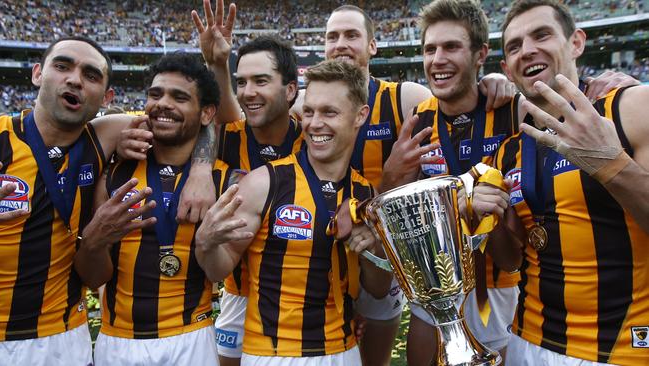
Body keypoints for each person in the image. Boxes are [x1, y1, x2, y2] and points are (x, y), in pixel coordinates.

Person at [0, 36, 214, 366]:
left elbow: (198, 121)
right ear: (37, 73)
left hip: (64, 340)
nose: (74, 79)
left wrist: (201, 167)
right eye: (62, 66)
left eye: (91, 75)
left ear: (106, 96)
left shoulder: (104, 136)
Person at [470, 1, 649, 364]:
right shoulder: (510, 151)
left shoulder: (631, 108)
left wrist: (611, 165)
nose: (528, 51)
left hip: (620, 348)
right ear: (506, 68)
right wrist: (488, 224)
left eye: (542, 35)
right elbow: (512, 260)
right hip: (527, 340)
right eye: (515, 46)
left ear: (576, 43)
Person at [195, 60, 392, 366]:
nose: (314, 123)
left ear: (360, 116)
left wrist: (372, 247)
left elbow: (379, 289)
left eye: (330, 112)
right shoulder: (263, 184)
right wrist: (205, 242)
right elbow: (217, 269)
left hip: (344, 352)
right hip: (272, 356)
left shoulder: (367, 195)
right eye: (310, 111)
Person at [378, 2, 521, 364]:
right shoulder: (419, 120)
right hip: (434, 288)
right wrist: (393, 174)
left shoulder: (512, 110)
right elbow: (394, 203)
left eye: (451, 47)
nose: (437, 59)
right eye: (430, 49)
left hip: (498, 286)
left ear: (480, 55)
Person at [73, 52, 232, 365]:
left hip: (192, 337)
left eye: (180, 97)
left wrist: (207, 243)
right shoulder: (115, 172)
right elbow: (94, 279)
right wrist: (93, 241)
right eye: (155, 94)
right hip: (117, 340)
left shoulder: (223, 179)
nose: (163, 104)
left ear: (206, 113)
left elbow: (218, 272)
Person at [192, 3, 304, 364]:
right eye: (241, 82)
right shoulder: (223, 139)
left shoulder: (316, 139)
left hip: (304, 295)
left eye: (261, 81)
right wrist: (216, 65)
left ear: (290, 90)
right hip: (237, 293)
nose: (248, 91)